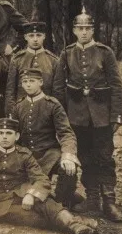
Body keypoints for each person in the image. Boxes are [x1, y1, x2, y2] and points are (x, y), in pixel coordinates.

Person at [0, 118, 99, 234]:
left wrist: (30, 194)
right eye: (1, 133)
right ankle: (77, 223)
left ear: (16, 136)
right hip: (0, 206)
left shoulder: (24, 154)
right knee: (38, 218)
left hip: (20, 196)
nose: (4, 137)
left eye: (9, 133)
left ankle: (76, 227)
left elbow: (41, 178)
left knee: (46, 202)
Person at [53, 8, 122, 222]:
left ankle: (109, 201)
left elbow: (116, 85)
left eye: (87, 28)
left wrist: (116, 116)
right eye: (80, 28)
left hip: (102, 116)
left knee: (104, 157)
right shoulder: (66, 54)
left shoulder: (105, 52)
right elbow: (58, 88)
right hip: (76, 117)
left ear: (93, 30)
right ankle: (92, 198)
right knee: (84, 157)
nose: (84, 32)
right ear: (74, 30)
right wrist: (62, 117)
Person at [12, 68, 81, 209]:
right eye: (25, 82)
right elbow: (14, 135)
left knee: (68, 168)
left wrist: (68, 155)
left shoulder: (52, 104)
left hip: (50, 153)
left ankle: (62, 201)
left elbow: (66, 133)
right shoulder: (18, 106)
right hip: (27, 156)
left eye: (32, 81)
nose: (28, 85)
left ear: (41, 82)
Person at [5, 21, 58, 115]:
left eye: (38, 35)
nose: (35, 39)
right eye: (31, 35)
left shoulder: (53, 60)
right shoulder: (17, 59)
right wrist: (11, 113)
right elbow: (10, 91)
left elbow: (57, 92)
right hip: (21, 111)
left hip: (45, 112)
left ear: (44, 36)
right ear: (25, 37)